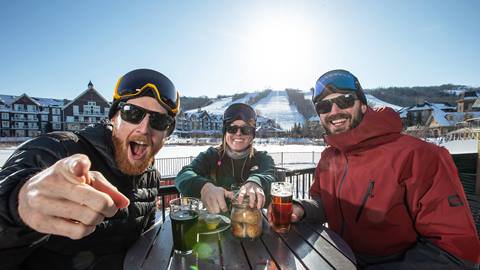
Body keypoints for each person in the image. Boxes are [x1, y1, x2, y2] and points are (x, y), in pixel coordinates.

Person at [269, 69, 480, 269]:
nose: (334, 111)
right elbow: (324, 202)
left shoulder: (419, 156)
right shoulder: (329, 157)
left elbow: (456, 253)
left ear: (362, 105)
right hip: (336, 259)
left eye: (344, 100)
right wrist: (302, 208)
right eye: (324, 107)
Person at [0, 68, 180, 270]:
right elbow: (18, 179)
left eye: (159, 120)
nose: (144, 128)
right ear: (114, 119)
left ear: (166, 134)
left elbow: (142, 243)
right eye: (132, 113)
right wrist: (19, 203)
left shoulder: (151, 177)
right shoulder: (62, 151)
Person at [175, 103, 275, 213]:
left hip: (251, 225)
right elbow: (183, 175)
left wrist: (256, 181)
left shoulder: (262, 158)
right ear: (225, 132)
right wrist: (204, 187)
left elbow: (270, 175)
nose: (238, 134)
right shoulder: (211, 155)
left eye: (245, 129)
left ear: (252, 134)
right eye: (232, 129)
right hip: (217, 225)